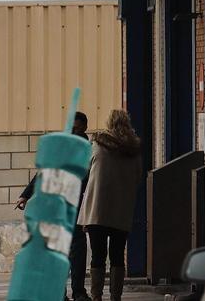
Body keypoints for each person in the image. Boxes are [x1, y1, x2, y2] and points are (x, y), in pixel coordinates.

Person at [16, 111, 91, 301]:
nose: (73, 131)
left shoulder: (89, 150)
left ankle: (78, 291)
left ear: (85, 128)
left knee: (78, 251)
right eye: (71, 128)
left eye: (77, 128)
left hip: (79, 206)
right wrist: (25, 195)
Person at [77, 110, 141, 301]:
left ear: (109, 123)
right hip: (121, 210)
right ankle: (115, 297)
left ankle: (97, 296)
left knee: (98, 256)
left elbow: (84, 170)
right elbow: (138, 177)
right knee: (117, 256)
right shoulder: (133, 150)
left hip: (97, 210)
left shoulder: (97, 145)